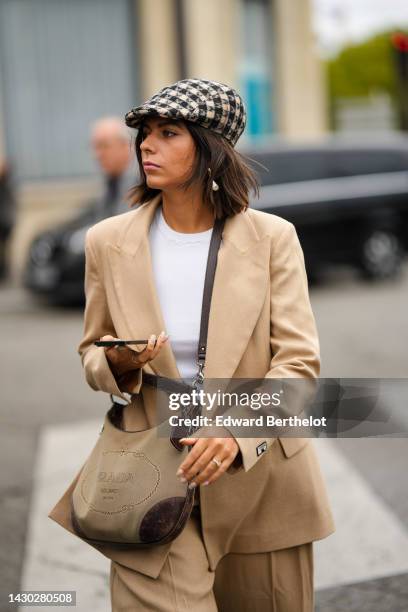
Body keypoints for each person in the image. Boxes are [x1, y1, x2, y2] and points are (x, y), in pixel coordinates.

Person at [48, 79, 335, 611]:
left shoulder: (273, 238)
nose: (146, 146)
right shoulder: (107, 241)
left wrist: (236, 430)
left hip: (261, 477)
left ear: (209, 150)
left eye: (168, 133)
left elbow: (298, 364)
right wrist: (117, 360)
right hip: (151, 476)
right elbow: (91, 350)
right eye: (145, 134)